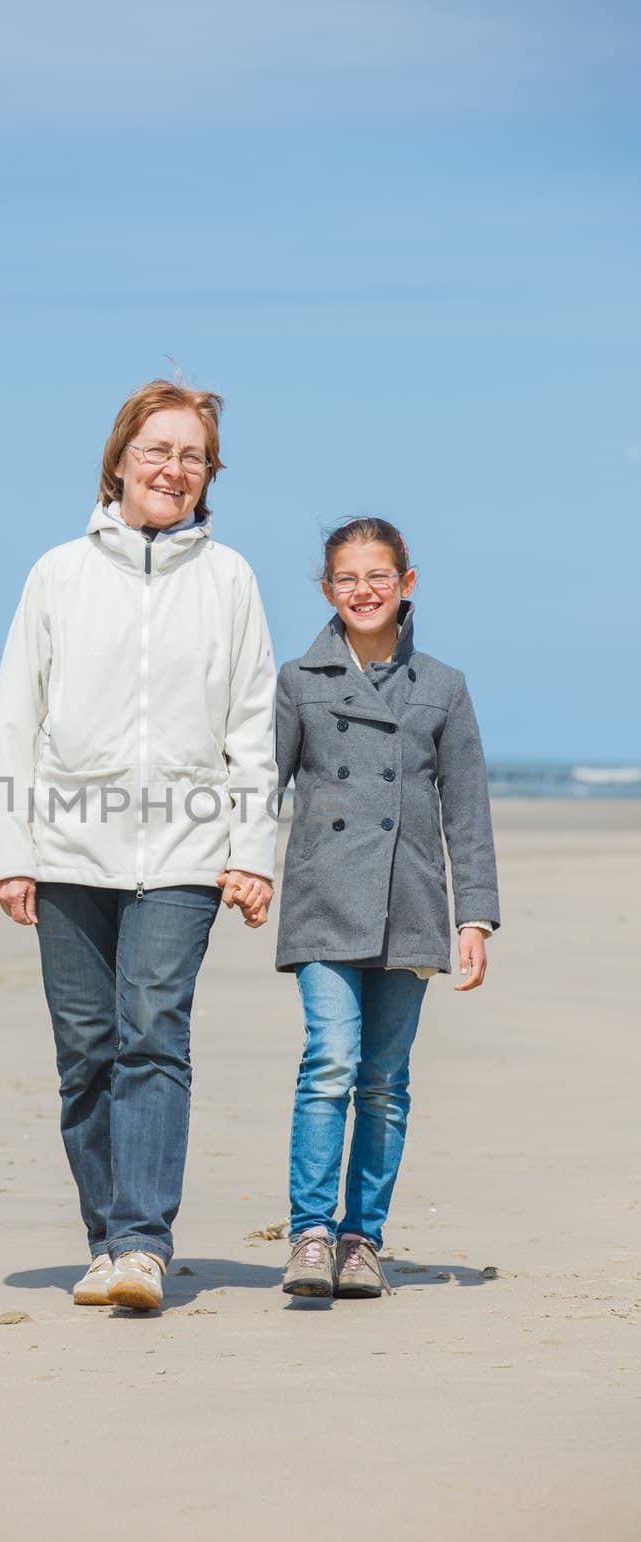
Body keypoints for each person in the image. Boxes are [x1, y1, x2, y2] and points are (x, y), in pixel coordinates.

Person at [0, 380, 278, 1311]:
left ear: (208, 475)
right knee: (85, 1051)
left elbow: (254, 727)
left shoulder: (228, 578)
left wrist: (251, 849)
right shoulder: (57, 575)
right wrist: (10, 849)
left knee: (153, 1035)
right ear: (118, 461)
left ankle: (143, 1245)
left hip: (186, 855)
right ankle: (104, 1239)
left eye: (192, 456)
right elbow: (13, 718)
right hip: (68, 851)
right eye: (157, 450)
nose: (173, 469)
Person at [275, 517, 499, 1299]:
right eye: (345, 578)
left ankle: (360, 1238)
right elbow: (256, 789)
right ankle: (308, 1233)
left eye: (377, 577)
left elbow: (466, 812)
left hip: (409, 904)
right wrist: (235, 869)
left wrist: (474, 916)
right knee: (329, 1057)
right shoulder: (298, 679)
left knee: (382, 1079)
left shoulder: (443, 686)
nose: (361, 591)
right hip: (322, 899)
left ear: (405, 583)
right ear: (327, 588)